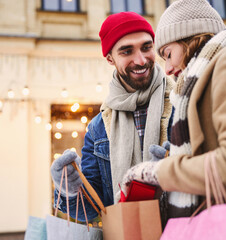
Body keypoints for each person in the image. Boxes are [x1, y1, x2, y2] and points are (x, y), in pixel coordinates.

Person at [120, 0, 226, 238]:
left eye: (168, 54)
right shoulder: (204, 79)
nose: (169, 69)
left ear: (188, 38)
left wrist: (159, 171)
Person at [51, 12, 174, 221]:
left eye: (146, 47)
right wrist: (69, 190)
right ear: (110, 59)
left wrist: (172, 173)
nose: (141, 60)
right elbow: (92, 211)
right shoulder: (99, 127)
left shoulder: (182, 102)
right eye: (127, 51)